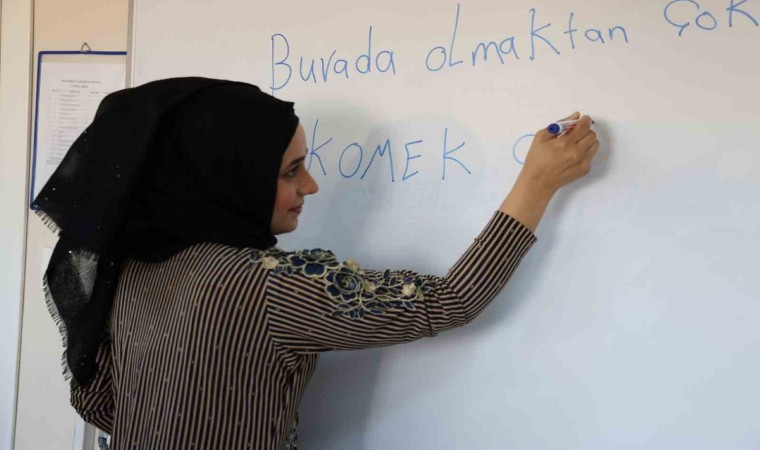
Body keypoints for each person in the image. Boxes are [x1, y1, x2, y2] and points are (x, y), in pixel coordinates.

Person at [34, 77, 599, 449]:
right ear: (227, 180)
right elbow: (451, 300)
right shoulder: (261, 286)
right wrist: (537, 183)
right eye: (288, 172)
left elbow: (99, 402)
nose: (311, 185)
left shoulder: (131, 268)